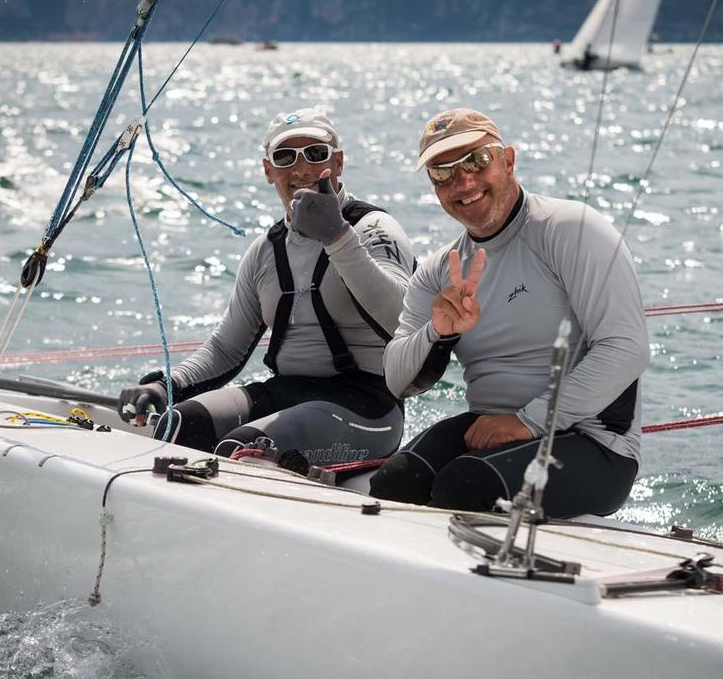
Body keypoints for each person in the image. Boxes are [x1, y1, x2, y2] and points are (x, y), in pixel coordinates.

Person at [370, 108, 649, 518]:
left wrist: (528, 421)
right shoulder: (438, 272)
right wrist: (438, 332)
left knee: (465, 484)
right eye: (443, 172)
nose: (463, 181)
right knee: (393, 482)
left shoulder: (568, 228)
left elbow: (627, 348)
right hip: (491, 432)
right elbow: (396, 380)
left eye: (477, 160)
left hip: (593, 442)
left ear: (509, 160)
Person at [117, 108, 415, 464]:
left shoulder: (374, 229)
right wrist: (164, 385)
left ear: (338, 163)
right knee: (178, 425)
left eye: (315, 155)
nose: (302, 169)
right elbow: (226, 349)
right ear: (268, 170)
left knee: (244, 449)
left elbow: (402, 318)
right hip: (286, 393)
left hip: (368, 406)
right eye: (285, 157)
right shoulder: (264, 252)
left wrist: (337, 237)